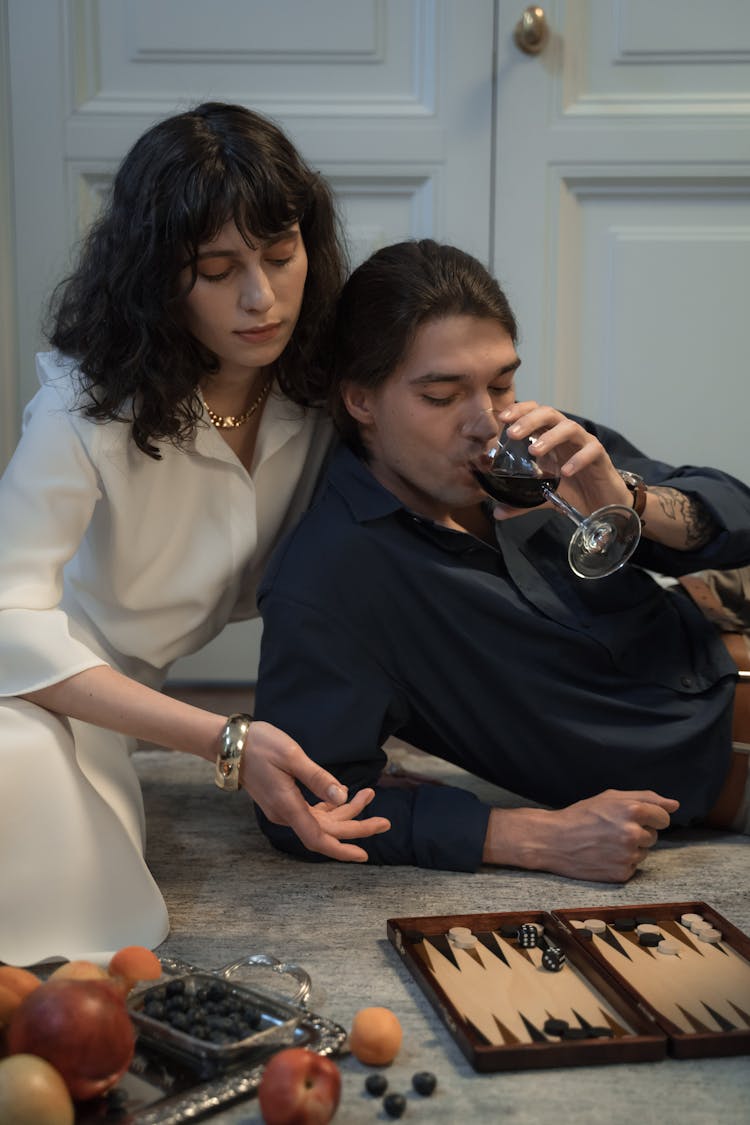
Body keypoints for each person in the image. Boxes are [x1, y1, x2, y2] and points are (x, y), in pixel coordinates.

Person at [0, 102, 389, 967]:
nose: (262, 297)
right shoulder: (85, 407)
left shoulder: (319, 382)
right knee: (22, 790)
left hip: (127, 706)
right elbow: (6, 620)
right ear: (158, 280)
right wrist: (221, 739)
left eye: (281, 255)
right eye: (219, 270)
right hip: (44, 686)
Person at [252, 239, 750, 882]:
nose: (486, 422)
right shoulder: (331, 578)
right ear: (361, 400)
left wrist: (625, 498)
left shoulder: (536, 448)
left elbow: (737, 519)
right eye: (442, 395)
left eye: (502, 382)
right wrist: (530, 836)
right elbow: (305, 804)